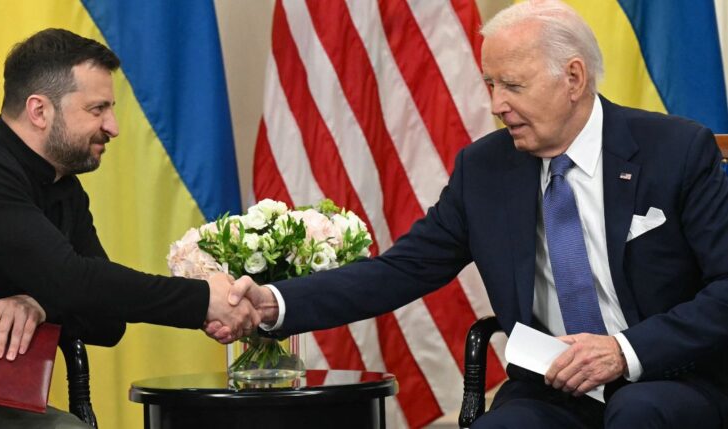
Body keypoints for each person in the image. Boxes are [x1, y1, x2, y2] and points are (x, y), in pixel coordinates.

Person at [214, 1, 728, 427]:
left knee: (638, 412)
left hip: (666, 375)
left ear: (573, 77)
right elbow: (399, 271)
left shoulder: (676, 151)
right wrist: (274, 303)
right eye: (490, 85)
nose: (496, 105)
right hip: (552, 390)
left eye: (513, 86)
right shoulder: (484, 169)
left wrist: (623, 350)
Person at [0, 28, 258, 428]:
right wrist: (202, 300)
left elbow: (107, 323)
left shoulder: (64, 188)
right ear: (39, 111)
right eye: (97, 110)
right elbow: (73, 280)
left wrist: (39, 303)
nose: (113, 126)